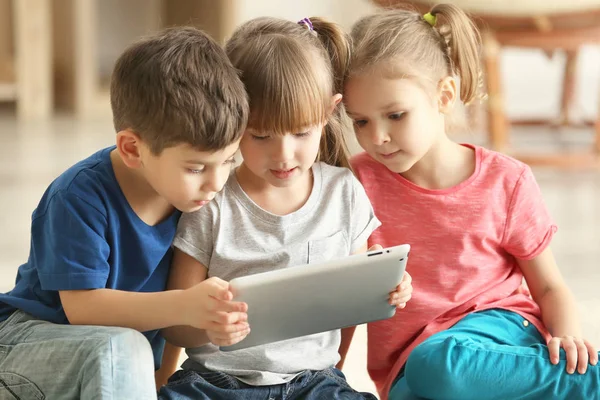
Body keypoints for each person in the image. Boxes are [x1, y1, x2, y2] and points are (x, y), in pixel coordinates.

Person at [344, 4, 600, 399]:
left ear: (444, 95)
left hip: (500, 332)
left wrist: (568, 339)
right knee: (413, 387)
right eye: (360, 121)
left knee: (440, 362)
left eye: (395, 115)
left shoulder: (506, 181)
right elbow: (344, 294)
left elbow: (548, 287)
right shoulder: (356, 182)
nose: (377, 136)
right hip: (409, 367)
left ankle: (589, 382)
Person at [158, 16, 412, 400]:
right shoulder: (212, 201)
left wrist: (384, 288)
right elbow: (175, 326)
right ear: (234, 120)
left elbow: (349, 308)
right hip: (217, 382)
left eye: (301, 132)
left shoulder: (344, 193)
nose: (283, 155)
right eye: (260, 136)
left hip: (313, 381)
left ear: (329, 113)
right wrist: (209, 327)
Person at [0, 27, 249, 399]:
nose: (216, 183)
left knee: (129, 351)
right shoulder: (78, 197)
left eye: (229, 160)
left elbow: (169, 325)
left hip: (115, 360)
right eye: (196, 167)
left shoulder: (193, 202)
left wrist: (199, 329)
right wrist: (184, 305)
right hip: (27, 343)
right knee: (123, 348)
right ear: (132, 148)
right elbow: (83, 307)